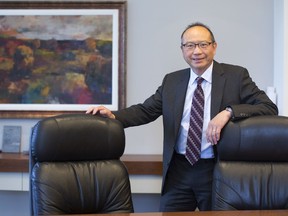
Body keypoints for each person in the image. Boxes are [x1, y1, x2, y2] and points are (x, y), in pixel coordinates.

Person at [86, 22, 278, 212]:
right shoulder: (172, 80)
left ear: (214, 46)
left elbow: (268, 107)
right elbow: (146, 111)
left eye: (203, 44)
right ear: (182, 50)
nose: (197, 51)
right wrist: (114, 115)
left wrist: (229, 112)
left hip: (217, 170)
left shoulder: (236, 76)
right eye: (190, 45)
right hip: (178, 171)